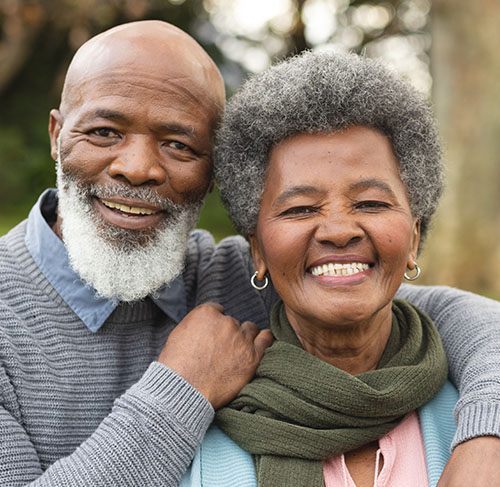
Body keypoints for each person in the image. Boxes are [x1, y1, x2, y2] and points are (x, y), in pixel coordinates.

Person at [0, 20, 498, 487]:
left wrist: (485, 435)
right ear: (56, 135)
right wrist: (180, 392)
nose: (137, 168)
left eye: (178, 144)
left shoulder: (239, 277)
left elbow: (442, 316)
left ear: (212, 172)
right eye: (104, 132)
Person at [179, 50, 500, 487]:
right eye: (300, 208)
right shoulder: (197, 442)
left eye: (370, 203)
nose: (337, 230)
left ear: (413, 238)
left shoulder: (478, 409)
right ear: (257, 251)